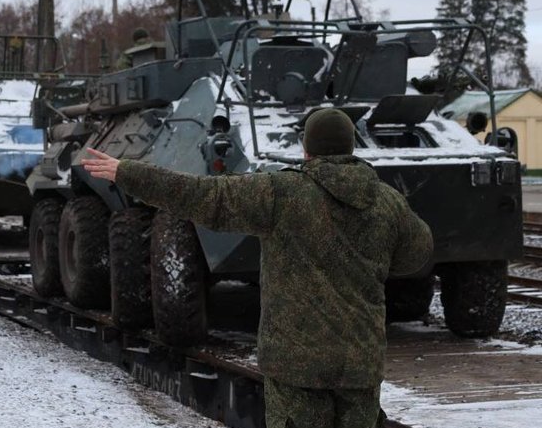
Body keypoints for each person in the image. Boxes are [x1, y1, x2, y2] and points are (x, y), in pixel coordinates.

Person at [82, 108, 434, 428]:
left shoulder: (282, 193)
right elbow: (417, 253)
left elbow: (201, 195)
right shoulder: (387, 201)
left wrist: (127, 172)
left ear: (307, 150)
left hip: (297, 366)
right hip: (361, 364)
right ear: (351, 147)